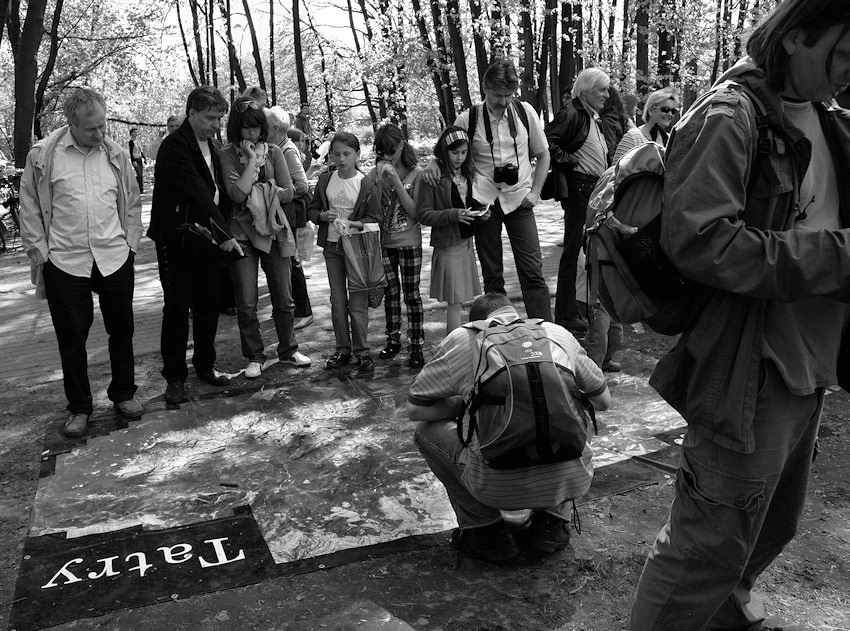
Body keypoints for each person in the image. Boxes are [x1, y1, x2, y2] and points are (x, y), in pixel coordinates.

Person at [629, 2, 850, 629]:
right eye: (842, 52)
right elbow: (700, 242)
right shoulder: (729, 116)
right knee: (705, 546)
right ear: (796, 37)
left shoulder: (829, 120)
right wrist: (837, 256)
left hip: (811, 361)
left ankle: (724, 612)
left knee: (775, 523)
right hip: (751, 364)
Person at [407, 292, 610, 563]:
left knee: (425, 432)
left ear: (477, 322)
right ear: (514, 313)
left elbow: (415, 408)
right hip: (573, 477)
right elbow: (602, 400)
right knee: (571, 411)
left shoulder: (464, 339)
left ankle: (486, 531)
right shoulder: (556, 333)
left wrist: (466, 404)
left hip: (494, 485)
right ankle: (551, 525)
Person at [19, 87, 144, 437]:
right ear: (72, 123)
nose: (100, 134)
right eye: (92, 129)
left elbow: (132, 201)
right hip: (65, 260)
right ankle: (79, 407)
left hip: (114, 255)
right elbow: (28, 205)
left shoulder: (116, 154)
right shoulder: (44, 156)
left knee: (122, 329)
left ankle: (123, 394)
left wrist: (130, 242)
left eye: (104, 126)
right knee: (72, 338)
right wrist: (40, 253)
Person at [422, 59, 552, 322]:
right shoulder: (468, 118)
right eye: (498, 95)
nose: (504, 101)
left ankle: (545, 333)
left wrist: (536, 192)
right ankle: (499, 333)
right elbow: (446, 148)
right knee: (492, 274)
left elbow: (543, 154)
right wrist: (434, 162)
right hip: (484, 203)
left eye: (508, 95)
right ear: (485, 88)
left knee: (532, 271)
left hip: (520, 200)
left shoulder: (525, 113)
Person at [148, 86, 244, 405]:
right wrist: (225, 233)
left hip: (206, 238)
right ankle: (174, 377)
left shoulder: (213, 146)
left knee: (209, 302)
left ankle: (205, 365)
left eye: (219, 118)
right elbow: (196, 193)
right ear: (191, 114)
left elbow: (219, 191)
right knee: (177, 307)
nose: (216, 124)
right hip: (176, 236)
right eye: (210, 118)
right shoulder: (174, 147)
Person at [218, 97, 311, 379]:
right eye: (246, 128)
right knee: (246, 302)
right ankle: (255, 356)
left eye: (257, 128)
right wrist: (250, 165)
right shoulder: (226, 155)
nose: (252, 134)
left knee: (284, 298)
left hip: (272, 229)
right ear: (236, 128)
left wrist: (264, 192)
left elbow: (290, 190)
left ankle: (288, 349)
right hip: (240, 233)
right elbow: (236, 195)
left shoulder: (273, 152)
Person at [306, 132, 382, 372]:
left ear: (357, 155)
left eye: (347, 154)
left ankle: (362, 352)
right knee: (338, 301)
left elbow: (375, 218)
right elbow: (312, 209)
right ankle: (342, 350)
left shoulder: (365, 184)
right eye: (336, 153)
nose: (341, 158)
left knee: (357, 302)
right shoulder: (325, 180)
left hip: (358, 249)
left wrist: (353, 224)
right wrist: (321, 216)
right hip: (332, 247)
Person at [544, 67, 611, 334]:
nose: (607, 94)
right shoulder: (572, 112)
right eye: (602, 89)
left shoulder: (591, 116)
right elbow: (547, 140)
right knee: (573, 250)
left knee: (584, 250)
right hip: (580, 188)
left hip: (593, 189)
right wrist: (571, 162)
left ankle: (580, 310)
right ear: (585, 90)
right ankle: (566, 314)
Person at [416, 127, 484, 334]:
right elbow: (424, 215)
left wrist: (480, 213)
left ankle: (458, 343)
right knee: (454, 301)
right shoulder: (433, 177)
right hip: (448, 244)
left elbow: (470, 203)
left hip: (466, 242)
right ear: (444, 151)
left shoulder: (468, 173)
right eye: (455, 153)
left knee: (462, 298)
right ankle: (453, 346)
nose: (460, 157)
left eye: (464, 152)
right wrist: (453, 215)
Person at [371, 123, 425, 368]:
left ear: (402, 146)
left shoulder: (417, 173)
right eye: (382, 153)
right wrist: (379, 181)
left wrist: (396, 183)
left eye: (391, 151)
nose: (387, 157)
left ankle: (416, 344)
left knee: (411, 295)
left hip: (409, 241)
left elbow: (415, 212)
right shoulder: (376, 172)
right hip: (385, 242)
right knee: (390, 294)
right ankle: (393, 339)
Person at [266, 105, 314, 331]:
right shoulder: (277, 147)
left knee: (293, 263)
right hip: (284, 215)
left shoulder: (287, 150)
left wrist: (277, 191)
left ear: (275, 128)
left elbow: (302, 185)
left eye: (264, 126)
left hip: (291, 215)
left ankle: (304, 312)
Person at [612, 87, 680, 163]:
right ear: (651, 110)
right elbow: (615, 171)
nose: (670, 114)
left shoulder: (670, 140)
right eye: (665, 109)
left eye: (673, 111)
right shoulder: (633, 137)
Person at [128, 128, 146, 193]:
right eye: (135, 132)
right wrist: (133, 161)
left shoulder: (137, 141)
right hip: (135, 159)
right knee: (139, 174)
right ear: (132, 133)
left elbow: (140, 150)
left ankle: (141, 189)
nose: (136, 133)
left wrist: (144, 158)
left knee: (141, 175)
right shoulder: (131, 142)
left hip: (139, 158)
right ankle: (132, 185)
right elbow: (130, 152)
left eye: (136, 132)